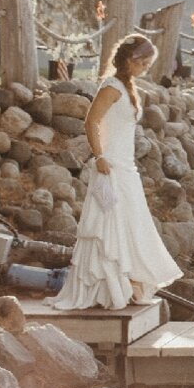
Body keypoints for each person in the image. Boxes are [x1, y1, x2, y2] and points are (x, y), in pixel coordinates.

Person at [55, 31, 184, 311]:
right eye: (142, 63)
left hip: (127, 166)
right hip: (111, 164)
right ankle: (105, 286)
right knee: (109, 223)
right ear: (129, 60)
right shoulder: (112, 87)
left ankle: (128, 283)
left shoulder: (128, 87)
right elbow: (92, 122)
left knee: (131, 221)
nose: (145, 68)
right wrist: (99, 155)